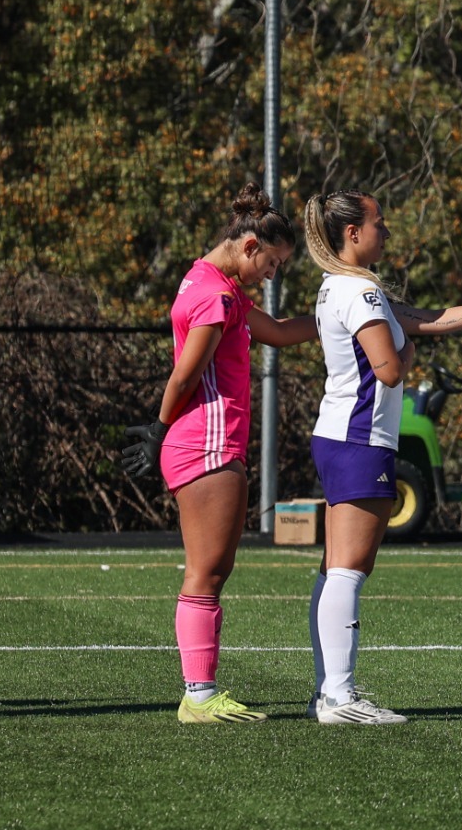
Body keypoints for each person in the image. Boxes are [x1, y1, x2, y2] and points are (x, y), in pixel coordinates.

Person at [301, 191, 462, 723]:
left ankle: (328, 691)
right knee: (349, 569)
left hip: (340, 435)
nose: (387, 231)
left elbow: (432, 318)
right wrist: (409, 350)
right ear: (352, 233)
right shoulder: (361, 291)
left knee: (335, 568)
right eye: (379, 222)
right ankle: (339, 697)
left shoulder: (339, 285)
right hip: (360, 439)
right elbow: (390, 370)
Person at [120, 183, 317, 723]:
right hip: (206, 443)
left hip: (204, 442)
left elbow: (277, 333)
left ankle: (200, 692)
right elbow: (186, 374)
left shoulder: (208, 280)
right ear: (250, 246)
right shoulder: (218, 296)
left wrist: (337, 316)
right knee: (207, 572)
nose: (271, 275)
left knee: (210, 570)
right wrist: (159, 430)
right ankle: (200, 695)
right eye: (272, 264)